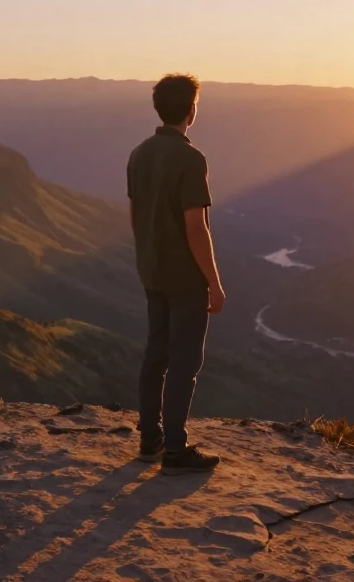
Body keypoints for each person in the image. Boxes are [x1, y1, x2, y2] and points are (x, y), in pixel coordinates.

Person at [126, 74, 225, 475]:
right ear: (192, 110)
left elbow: (135, 218)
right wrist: (214, 284)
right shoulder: (191, 158)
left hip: (152, 271)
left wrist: (149, 256)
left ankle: (149, 439)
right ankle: (176, 450)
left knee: (156, 355)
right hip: (185, 277)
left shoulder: (139, 153)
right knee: (185, 362)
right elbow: (196, 228)